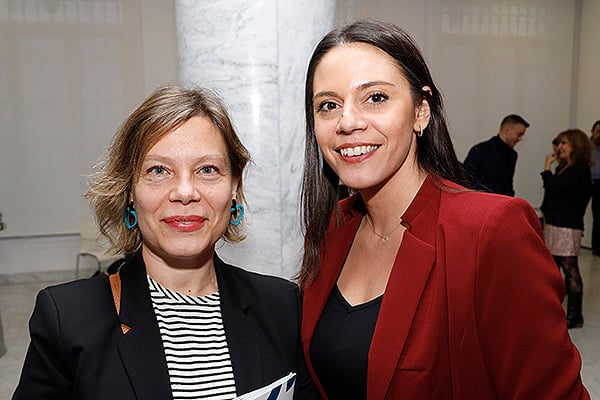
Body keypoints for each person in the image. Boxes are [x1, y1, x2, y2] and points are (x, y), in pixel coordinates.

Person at [299, 20, 589, 399]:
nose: (347, 121)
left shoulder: (491, 231)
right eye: (329, 105)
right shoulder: (328, 230)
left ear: (421, 111)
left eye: (376, 98)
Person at [12, 85, 317, 399]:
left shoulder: (281, 305)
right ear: (130, 191)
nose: (185, 192)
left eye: (208, 170)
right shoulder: (69, 318)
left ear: (233, 187)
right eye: (159, 171)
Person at [541, 129, 593, 329]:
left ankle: (574, 315)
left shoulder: (579, 169)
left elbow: (554, 188)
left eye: (565, 143)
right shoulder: (566, 167)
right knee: (553, 268)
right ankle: (554, 309)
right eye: (559, 142)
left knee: (570, 269)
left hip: (567, 226)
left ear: (576, 146)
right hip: (556, 224)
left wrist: (547, 167)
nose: (559, 147)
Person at [463, 114, 529, 196]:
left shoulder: (513, 155)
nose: (520, 139)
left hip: (502, 205)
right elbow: (466, 181)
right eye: (519, 134)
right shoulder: (479, 150)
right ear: (507, 130)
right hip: (481, 203)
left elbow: (508, 185)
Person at [589, 120, 600, 255]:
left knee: (598, 215)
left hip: (598, 183)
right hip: (586, 181)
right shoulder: (585, 147)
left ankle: (597, 248)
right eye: (597, 131)